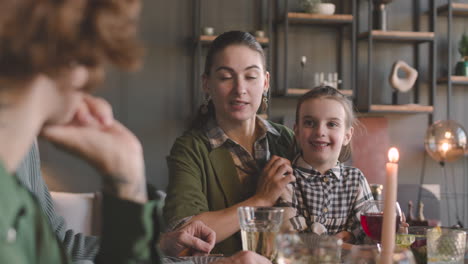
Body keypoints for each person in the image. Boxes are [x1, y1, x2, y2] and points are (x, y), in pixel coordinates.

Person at [0, 1, 270, 263]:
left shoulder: (25, 149)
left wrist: (128, 181)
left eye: (250, 76)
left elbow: (61, 246)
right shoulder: (190, 148)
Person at [163, 31, 296, 255]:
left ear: (265, 82)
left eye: (251, 77)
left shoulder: (287, 140)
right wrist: (260, 200)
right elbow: (185, 237)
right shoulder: (190, 148)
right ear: (207, 84)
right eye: (226, 77)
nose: (240, 89)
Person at [278, 86, 374, 243]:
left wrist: (358, 235)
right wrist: (345, 238)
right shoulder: (285, 178)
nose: (320, 131)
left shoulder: (355, 179)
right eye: (310, 123)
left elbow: (369, 233)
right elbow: (293, 238)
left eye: (332, 124)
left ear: (347, 136)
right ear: (297, 131)